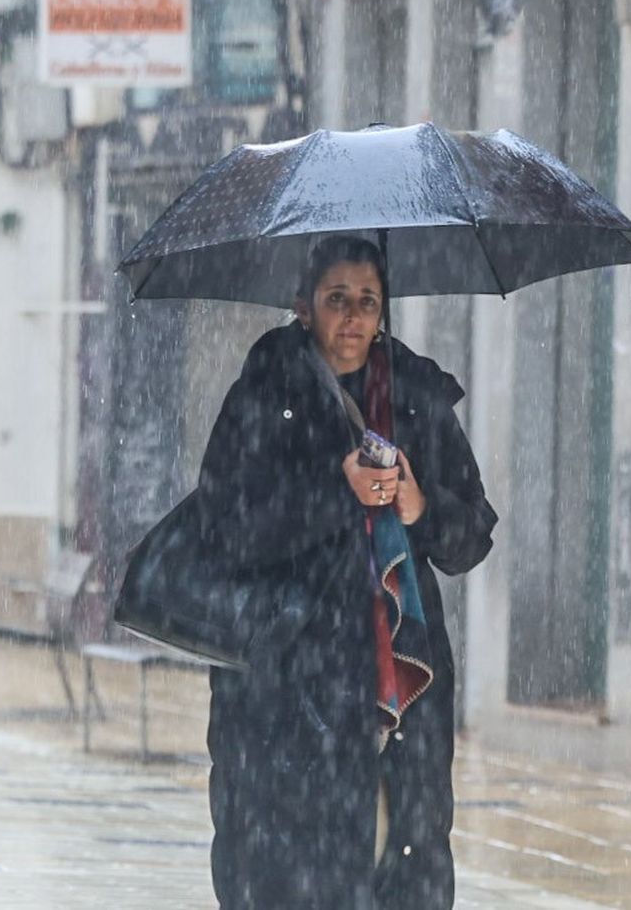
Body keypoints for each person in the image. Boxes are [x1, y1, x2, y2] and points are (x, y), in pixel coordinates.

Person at [199, 235, 497, 909]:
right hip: (281, 678)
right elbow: (225, 527)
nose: (354, 317)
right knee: (280, 861)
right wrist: (334, 494)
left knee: (406, 859)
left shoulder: (417, 396)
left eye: (368, 301)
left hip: (401, 681)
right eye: (337, 299)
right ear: (303, 307)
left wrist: (419, 505)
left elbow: (471, 536)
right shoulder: (263, 392)